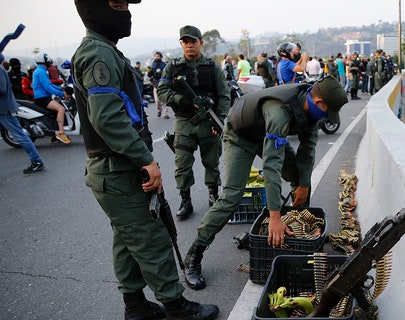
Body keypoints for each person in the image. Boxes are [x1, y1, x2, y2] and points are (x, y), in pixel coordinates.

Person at [71, 1, 220, 319]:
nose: (126, 11)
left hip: (116, 166)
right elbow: (108, 117)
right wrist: (145, 159)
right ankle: (177, 307)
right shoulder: (98, 53)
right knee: (150, 237)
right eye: (117, 4)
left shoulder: (105, 51)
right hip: (119, 166)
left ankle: (136, 306)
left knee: (126, 238)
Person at [181, 75, 348, 290]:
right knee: (231, 198)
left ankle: (299, 236)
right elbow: (272, 167)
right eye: (328, 112)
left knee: (299, 178)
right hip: (239, 136)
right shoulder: (280, 113)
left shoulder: (311, 113)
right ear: (318, 102)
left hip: (266, 133)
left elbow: (307, 153)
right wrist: (275, 217)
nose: (328, 117)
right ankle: (194, 255)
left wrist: (303, 185)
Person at [157, 25, 231, 221]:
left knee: (211, 161)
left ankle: (213, 194)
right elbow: (162, 91)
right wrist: (181, 100)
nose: (190, 45)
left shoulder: (212, 67)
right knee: (182, 163)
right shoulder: (172, 67)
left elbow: (224, 95)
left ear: (201, 43)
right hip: (184, 122)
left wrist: (219, 118)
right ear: (181, 44)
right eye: (186, 42)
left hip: (208, 121)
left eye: (193, 41)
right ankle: (185, 200)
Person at [0, 53, 44, 174]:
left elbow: (1, 89)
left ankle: (36, 161)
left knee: (20, 136)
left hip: (5, 109)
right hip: (5, 108)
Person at [32, 52, 71, 144]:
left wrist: (61, 89)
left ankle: (55, 136)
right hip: (43, 98)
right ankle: (61, 133)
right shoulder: (41, 72)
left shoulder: (40, 70)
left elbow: (49, 84)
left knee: (54, 113)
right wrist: (61, 94)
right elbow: (47, 87)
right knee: (61, 109)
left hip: (42, 97)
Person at [148, 51, 168, 118]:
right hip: (155, 84)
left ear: (160, 57)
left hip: (163, 83)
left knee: (164, 99)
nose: (157, 57)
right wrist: (150, 72)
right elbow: (149, 75)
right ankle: (159, 110)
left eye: (158, 56)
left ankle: (165, 114)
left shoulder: (163, 65)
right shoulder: (152, 65)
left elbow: (167, 74)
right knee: (157, 100)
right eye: (155, 56)